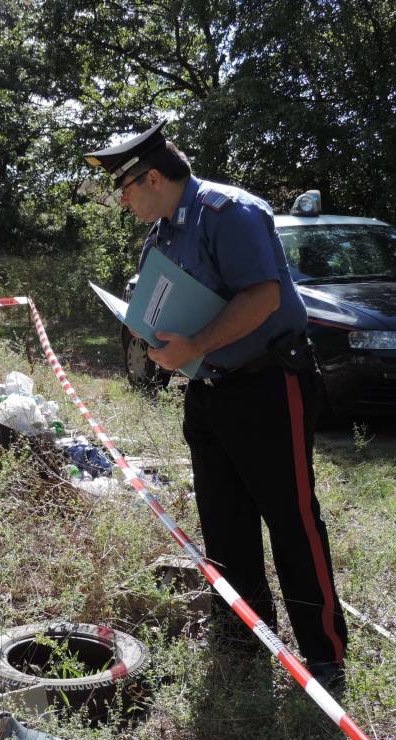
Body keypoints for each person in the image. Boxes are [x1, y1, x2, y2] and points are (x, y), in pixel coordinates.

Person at [85, 121, 348, 690]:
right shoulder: (161, 237)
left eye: (125, 188)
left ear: (152, 177)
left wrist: (195, 346)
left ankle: (323, 655)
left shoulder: (230, 213)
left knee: (291, 519)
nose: (122, 200)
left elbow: (264, 296)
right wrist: (164, 348)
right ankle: (243, 636)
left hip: (269, 385)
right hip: (209, 393)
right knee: (224, 522)